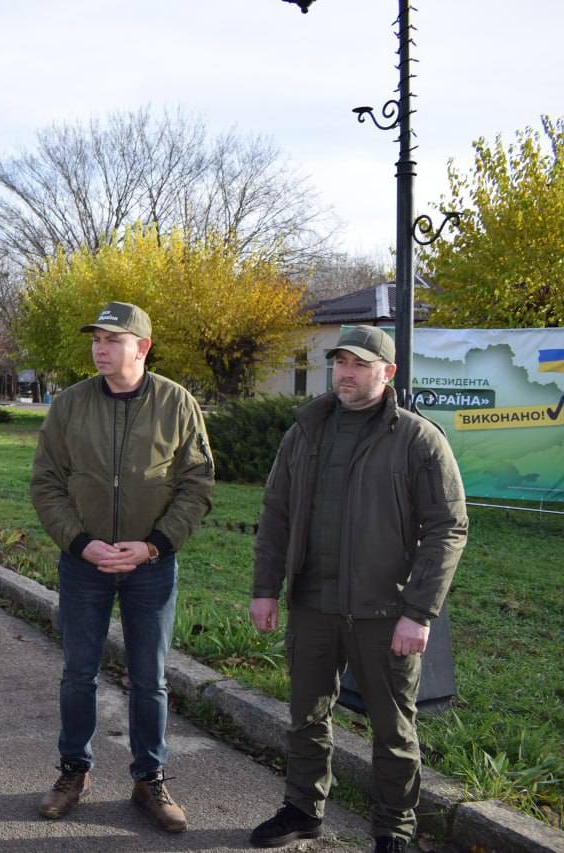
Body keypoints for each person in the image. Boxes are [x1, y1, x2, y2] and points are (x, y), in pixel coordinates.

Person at [247, 325, 467, 853]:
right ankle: (303, 809)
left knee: (393, 728)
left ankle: (394, 828)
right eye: (340, 362)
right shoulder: (305, 431)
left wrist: (419, 612)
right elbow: (276, 514)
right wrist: (265, 588)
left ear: (388, 373)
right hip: (313, 605)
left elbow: (448, 528)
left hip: (384, 611)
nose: (346, 373)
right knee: (306, 717)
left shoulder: (417, 438)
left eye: (360, 364)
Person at [30, 301, 214, 832]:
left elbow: (197, 484)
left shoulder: (176, 403)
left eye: (113, 339)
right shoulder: (71, 403)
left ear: (143, 347)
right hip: (84, 564)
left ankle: (149, 778)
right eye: (96, 339)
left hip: (150, 566)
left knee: (150, 678)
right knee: (78, 673)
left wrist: (154, 545)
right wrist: (80, 543)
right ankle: (74, 771)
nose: (101, 348)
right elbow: (46, 481)